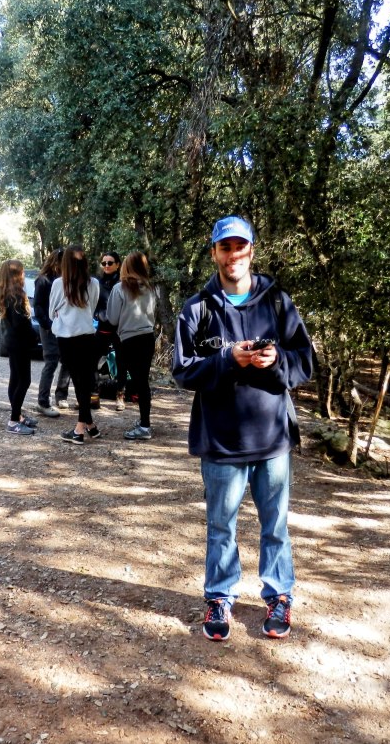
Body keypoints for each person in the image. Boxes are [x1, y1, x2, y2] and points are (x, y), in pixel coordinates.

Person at [172, 215, 313, 642]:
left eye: (240, 247)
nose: (233, 255)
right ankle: (218, 597)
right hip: (220, 440)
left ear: (252, 251)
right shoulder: (197, 308)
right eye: (224, 247)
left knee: (275, 525)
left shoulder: (277, 302)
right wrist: (228, 359)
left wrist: (276, 364)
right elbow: (182, 371)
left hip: (272, 439)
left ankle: (279, 595)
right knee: (221, 527)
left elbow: (305, 362)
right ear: (213, 252)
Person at [49, 245, 101, 445]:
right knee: (84, 381)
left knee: (80, 382)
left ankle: (79, 429)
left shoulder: (59, 284)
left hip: (67, 338)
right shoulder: (94, 283)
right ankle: (90, 425)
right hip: (88, 336)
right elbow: (93, 307)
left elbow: (51, 310)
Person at [106, 251, 156, 440]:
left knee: (139, 382)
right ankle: (145, 421)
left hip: (130, 339)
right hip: (148, 337)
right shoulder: (150, 287)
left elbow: (112, 318)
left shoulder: (120, 288)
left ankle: (145, 427)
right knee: (143, 382)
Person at [0, 259, 40, 436]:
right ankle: (13, 420)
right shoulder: (16, 294)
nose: (24, 274)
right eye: (22, 271)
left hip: (10, 342)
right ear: (16, 274)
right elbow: (21, 323)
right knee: (24, 381)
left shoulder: (0, 291)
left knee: (15, 379)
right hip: (20, 342)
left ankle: (17, 416)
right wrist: (34, 335)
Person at [33, 248, 71, 417]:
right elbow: (38, 307)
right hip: (49, 328)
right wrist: (49, 325)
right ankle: (43, 401)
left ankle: (61, 395)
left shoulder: (68, 279)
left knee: (68, 360)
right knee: (51, 362)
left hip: (66, 326)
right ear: (56, 262)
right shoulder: (43, 280)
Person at [94, 251, 128, 410]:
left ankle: (120, 395)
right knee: (93, 361)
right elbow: (92, 303)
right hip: (102, 327)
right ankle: (93, 395)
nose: (106, 266)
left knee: (122, 362)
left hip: (119, 329)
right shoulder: (97, 283)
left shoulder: (123, 283)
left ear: (117, 264)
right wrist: (97, 314)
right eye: (104, 263)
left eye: (110, 262)